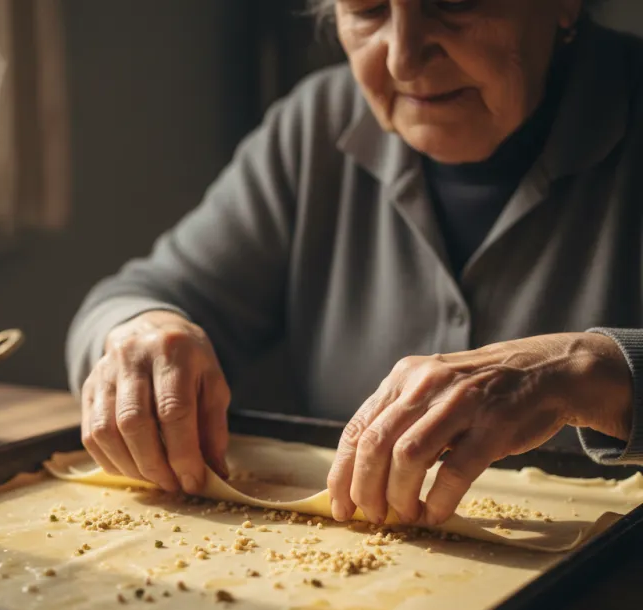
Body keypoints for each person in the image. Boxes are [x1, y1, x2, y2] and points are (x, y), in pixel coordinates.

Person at [67, 0, 643, 529]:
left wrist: (588, 371)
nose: (404, 59)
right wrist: (143, 333)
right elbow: (141, 293)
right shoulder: (317, 123)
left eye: (454, 2)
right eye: (368, 10)